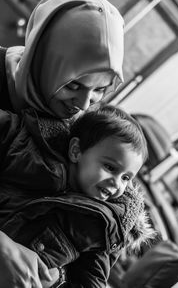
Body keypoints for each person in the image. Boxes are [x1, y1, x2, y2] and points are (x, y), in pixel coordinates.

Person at [0, 0, 125, 286]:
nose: (82, 104)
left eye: (99, 90)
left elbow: (87, 229)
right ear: (44, 57)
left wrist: (54, 275)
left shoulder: (84, 129)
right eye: (73, 85)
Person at [0, 104, 155, 288]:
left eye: (126, 178)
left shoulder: (103, 223)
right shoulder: (33, 157)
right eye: (110, 168)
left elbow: (91, 280)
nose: (117, 183)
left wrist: (56, 281)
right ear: (76, 151)